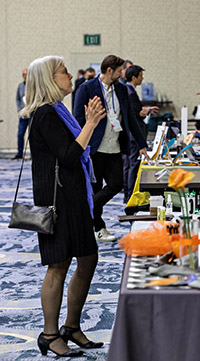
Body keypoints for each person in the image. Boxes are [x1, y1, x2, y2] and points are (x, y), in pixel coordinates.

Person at [20, 55, 106, 357]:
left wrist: (88, 125)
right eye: (64, 72)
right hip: (57, 202)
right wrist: (92, 124)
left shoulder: (59, 110)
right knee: (58, 265)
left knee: (88, 259)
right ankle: (50, 334)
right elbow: (70, 156)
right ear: (48, 80)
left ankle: (71, 327)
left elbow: (72, 155)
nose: (71, 76)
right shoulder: (45, 114)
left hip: (73, 198)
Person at [74, 55, 148, 242]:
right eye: (119, 70)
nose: (122, 73)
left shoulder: (121, 89)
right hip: (94, 148)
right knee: (96, 187)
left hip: (115, 146)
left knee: (116, 184)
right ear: (109, 71)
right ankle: (98, 227)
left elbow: (130, 118)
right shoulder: (86, 88)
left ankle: (86, 210)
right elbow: (78, 119)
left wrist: (142, 144)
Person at [124, 64, 159, 200]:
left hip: (132, 135)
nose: (142, 78)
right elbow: (137, 113)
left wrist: (146, 110)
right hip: (134, 136)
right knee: (133, 165)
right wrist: (145, 111)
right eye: (140, 76)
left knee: (131, 164)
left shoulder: (129, 91)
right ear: (134, 77)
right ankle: (131, 195)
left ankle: (129, 194)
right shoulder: (130, 92)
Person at [13, 68, 28, 159]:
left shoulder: (33, 85)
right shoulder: (20, 86)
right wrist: (19, 109)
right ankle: (20, 153)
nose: (25, 76)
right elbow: (18, 99)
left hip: (32, 112)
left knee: (34, 135)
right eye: (24, 75)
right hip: (23, 113)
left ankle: (34, 154)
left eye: (26, 74)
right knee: (20, 133)